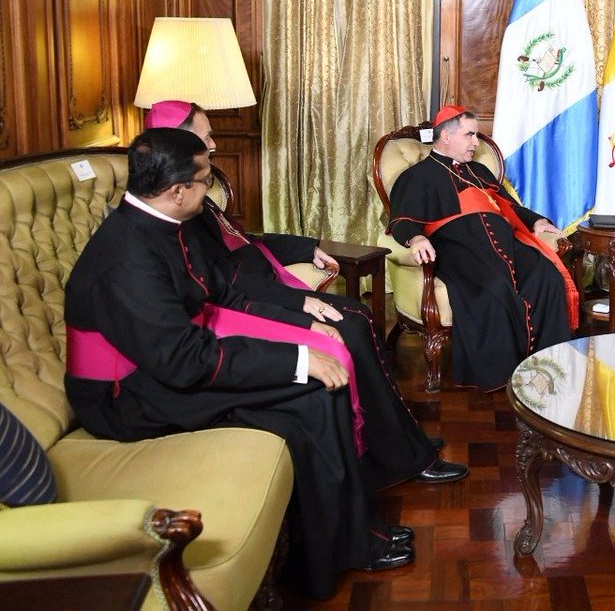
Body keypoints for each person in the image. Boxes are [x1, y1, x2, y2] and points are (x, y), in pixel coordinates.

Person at [65, 129, 410, 598]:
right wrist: (296, 360)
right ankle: (338, 552)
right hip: (125, 396)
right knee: (312, 393)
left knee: (317, 385)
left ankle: (351, 535)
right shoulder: (127, 257)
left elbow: (220, 295)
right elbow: (184, 361)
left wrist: (301, 325)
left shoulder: (163, 223)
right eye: (205, 179)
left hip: (167, 363)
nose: (210, 189)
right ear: (177, 190)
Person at [145, 100, 465, 487]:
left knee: (358, 318)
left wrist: (306, 247)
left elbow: (245, 240)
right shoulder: (178, 210)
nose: (213, 144)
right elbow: (223, 283)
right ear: (179, 143)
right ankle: (397, 453)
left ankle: (397, 443)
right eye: (206, 136)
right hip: (249, 304)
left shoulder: (196, 197)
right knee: (353, 323)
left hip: (264, 288)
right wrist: (298, 302)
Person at [387, 105, 578, 391]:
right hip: (459, 250)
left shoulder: (479, 170)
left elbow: (509, 206)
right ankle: (501, 371)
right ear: (447, 136)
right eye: (470, 135)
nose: (476, 143)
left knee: (546, 274)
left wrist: (536, 221)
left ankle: (548, 358)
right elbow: (401, 220)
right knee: (494, 285)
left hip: (506, 245)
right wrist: (416, 238)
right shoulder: (417, 176)